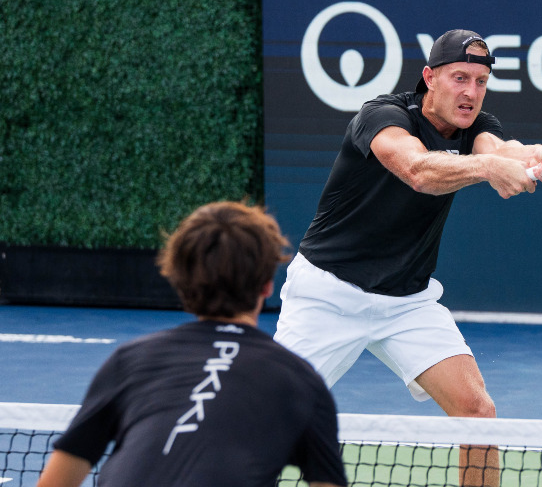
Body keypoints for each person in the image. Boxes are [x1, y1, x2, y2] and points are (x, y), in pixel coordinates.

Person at [273, 29, 542, 487]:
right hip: (328, 294)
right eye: (459, 78)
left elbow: (501, 150)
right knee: (268, 415)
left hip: (407, 303)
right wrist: (489, 168)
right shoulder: (383, 117)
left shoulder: (477, 127)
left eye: (481, 81)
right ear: (430, 78)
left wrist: (538, 157)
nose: (471, 92)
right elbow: (417, 170)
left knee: (477, 412)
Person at [37, 201, 346, 487]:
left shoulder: (128, 361)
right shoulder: (302, 381)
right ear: (267, 286)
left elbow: (55, 482)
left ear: (180, 281)